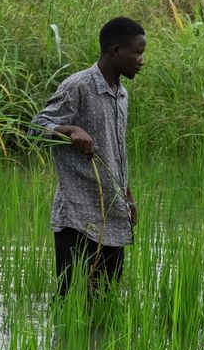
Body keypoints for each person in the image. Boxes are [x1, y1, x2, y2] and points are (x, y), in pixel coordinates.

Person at [30, 16, 145, 298]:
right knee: (70, 300)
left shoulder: (122, 94)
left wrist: (127, 195)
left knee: (105, 299)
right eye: (137, 53)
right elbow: (35, 127)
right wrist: (70, 129)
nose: (141, 60)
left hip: (112, 213)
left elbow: (117, 150)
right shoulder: (77, 86)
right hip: (77, 216)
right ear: (116, 51)